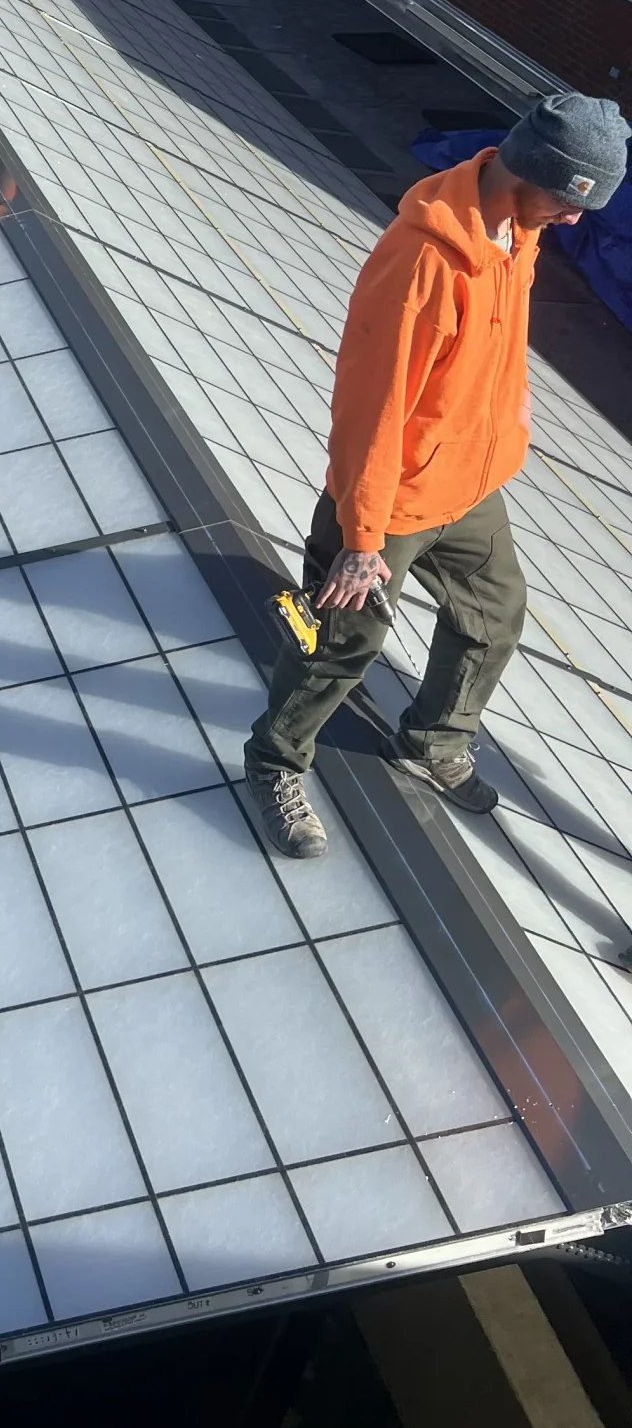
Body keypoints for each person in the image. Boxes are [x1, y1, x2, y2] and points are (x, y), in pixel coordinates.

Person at [245, 91, 629, 860]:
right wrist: (360, 538)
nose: (576, 221)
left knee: (494, 617)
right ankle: (274, 762)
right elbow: (372, 407)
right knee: (340, 643)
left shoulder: (520, 230)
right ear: (536, 172)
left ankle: (432, 741)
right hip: (391, 500)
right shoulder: (422, 260)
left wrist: (506, 423)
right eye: (573, 201)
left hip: (469, 483)